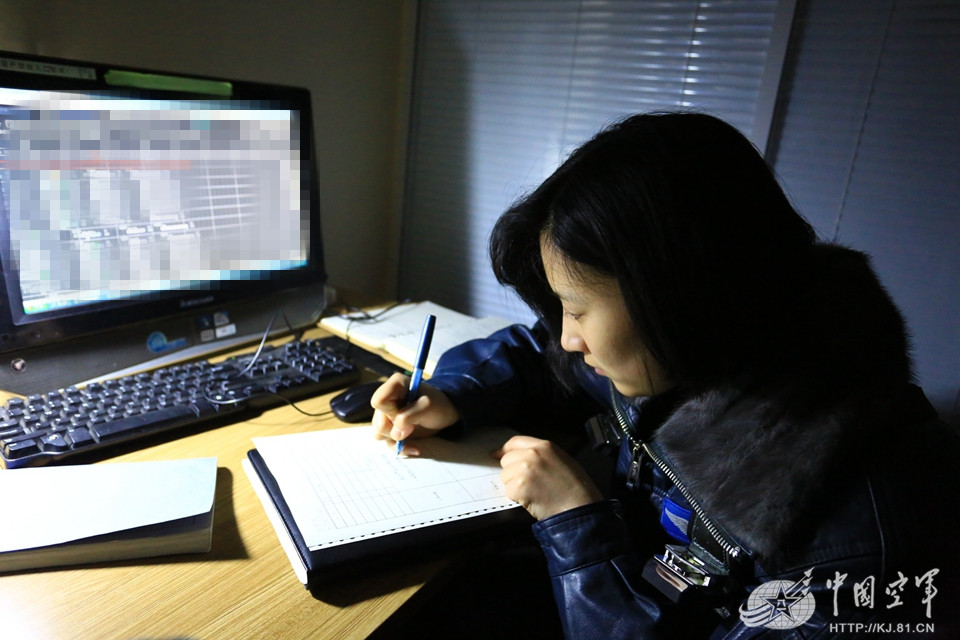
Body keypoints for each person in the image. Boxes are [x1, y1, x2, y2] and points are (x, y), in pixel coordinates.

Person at [370, 112, 960, 639]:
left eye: (578, 310)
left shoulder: (859, 556)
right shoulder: (710, 346)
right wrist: (453, 395)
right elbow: (539, 351)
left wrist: (577, 525)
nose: (569, 337)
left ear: (677, 295)